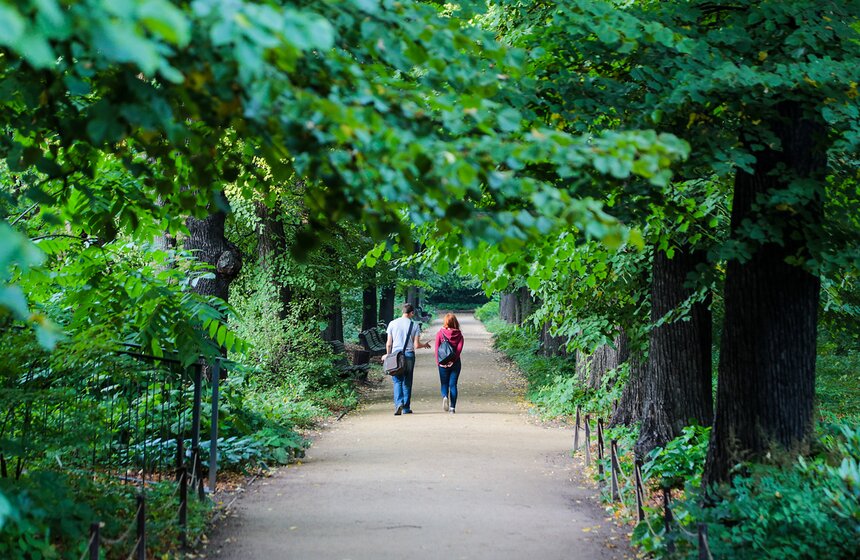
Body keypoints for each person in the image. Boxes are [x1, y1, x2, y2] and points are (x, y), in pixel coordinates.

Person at [386, 303, 431, 415]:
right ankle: (406, 408)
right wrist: (424, 345)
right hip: (409, 355)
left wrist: (388, 355)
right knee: (407, 381)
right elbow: (416, 345)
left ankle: (398, 404)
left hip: (396, 355)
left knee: (397, 381)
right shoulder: (414, 325)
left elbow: (389, 344)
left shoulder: (392, 323)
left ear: (403, 311)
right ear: (412, 313)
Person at [435, 313, 464, 414]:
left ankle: (445, 396)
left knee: (444, 383)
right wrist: (453, 360)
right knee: (453, 385)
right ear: (455, 322)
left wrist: (439, 363)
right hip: (455, 363)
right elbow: (459, 350)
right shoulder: (459, 335)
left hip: (443, 362)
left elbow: (437, 349)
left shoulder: (440, 333)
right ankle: (452, 408)